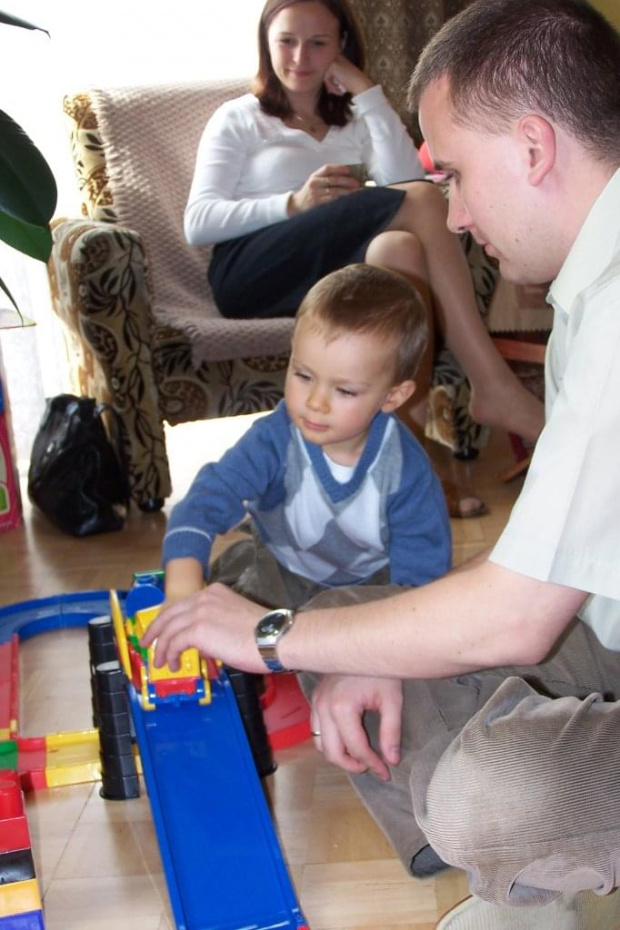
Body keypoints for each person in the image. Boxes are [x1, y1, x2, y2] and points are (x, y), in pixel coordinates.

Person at [144, 0, 620, 922]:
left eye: (455, 175)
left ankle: (507, 840)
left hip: (573, 637)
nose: (458, 213)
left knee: (489, 790)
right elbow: (553, 558)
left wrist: (268, 638)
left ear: (533, 148)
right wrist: (369, 643)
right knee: (358, 616)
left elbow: (519, 619)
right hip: (601, 627)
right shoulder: (587, 286)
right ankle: (521, 858)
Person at [184, 0, 545, 510]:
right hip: (253, 274)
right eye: (286, 40)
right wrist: (293, 203)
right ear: (266, 44)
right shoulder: (240, 118)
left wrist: (367, 94)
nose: (300, 56)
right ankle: (490, 381)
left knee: (397, 247)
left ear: (342, 48)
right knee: (420, 201)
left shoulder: (352, 118)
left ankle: (407, 474)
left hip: (332, 277)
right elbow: (198, 222)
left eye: (319, 43)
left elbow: (404, 176)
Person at [163, 263, 451, 611]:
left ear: (392, 397)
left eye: (344, 391)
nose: (315, 402)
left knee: (345, 629)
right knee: (234, 609)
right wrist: (181, 585)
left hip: (367, 587)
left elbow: (420, 588)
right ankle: (241, 571)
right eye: (303, 375)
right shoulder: (275, 439)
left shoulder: (406, 472)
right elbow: (206, 499)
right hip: (279, 570)